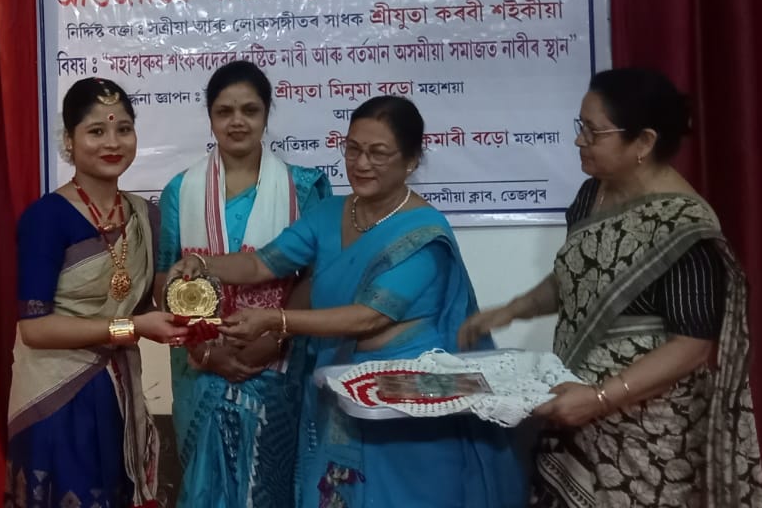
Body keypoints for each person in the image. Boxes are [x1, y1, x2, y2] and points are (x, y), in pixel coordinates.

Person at [174, 95, 524, 508]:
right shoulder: (329, 213)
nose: (361, 163)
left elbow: (368, 317)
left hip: (406, 403)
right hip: (341, 391)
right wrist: (203, 264)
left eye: (378, 153)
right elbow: (260, 264)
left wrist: (275, 320)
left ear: (411, 160)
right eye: (353, 149)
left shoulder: (423, 232)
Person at [458, 68, 762, 507]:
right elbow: (578, 278)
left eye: (593, 131)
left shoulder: (683, 228)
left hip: (649, 437)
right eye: (580, 126)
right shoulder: (592, 195)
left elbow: (693, 345)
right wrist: (513, 309)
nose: (579, 140)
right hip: (577, 413)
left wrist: (601, 398)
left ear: (643, 142)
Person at [6, 77, 189, 508]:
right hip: (56, 398)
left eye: (123, 129)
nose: (112, 142)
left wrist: (189, 281)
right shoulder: (46, 218)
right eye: (96, 131)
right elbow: (35, 330)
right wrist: (131, 328)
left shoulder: (145, 215)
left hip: (119, 398)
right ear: (69, 141)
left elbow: (155, 299)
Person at [155, 60, 331, 507]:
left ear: (267, 114)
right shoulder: (180, 190)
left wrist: (273, 339)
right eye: (225, 111)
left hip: (277, 364)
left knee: (267, 485)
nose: (237, 121)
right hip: (201, 365)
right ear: (210, 117)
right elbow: (164, 278)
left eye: (249, 110)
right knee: (204, 486)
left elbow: (315, 275)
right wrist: (205, 350)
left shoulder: (304, 188)